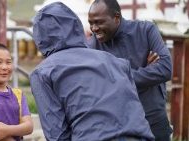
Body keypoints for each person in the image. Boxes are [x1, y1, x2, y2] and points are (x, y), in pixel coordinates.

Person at [30, 2, 155, 141]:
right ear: (76, 26)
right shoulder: (116, 62)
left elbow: (56, 134)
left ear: (39, 37)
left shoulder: (43, 72)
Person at [88, 0, 173, 141]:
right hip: (117, 126)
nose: (94, 28)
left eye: (98, 22)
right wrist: (147, 72)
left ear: (116, 18)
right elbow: (96, 84)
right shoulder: (92, 47)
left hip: (153, 121)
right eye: (91, 23)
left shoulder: (145, 30)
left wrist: (113, 78)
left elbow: (165, 69)